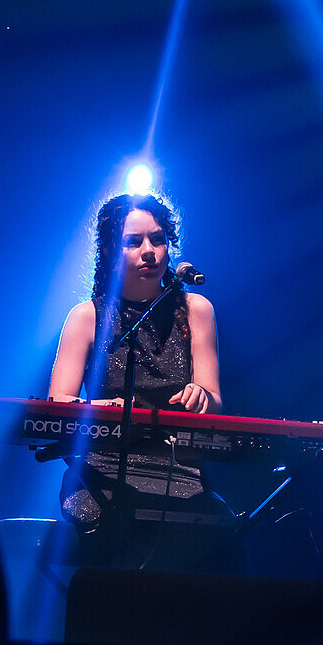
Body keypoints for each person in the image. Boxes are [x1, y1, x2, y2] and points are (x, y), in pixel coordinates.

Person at [49, 193, 233, 570]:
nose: (149, 251)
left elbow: (216, 402)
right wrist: (102, 409)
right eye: (134, 242)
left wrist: (202, 396)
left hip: (179, 472)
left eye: (158, 239)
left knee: (224, 544)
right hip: (99, 476)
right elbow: (57, 404)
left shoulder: (197, 310)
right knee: (114, 543)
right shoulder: (87, 317)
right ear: (112, 253)